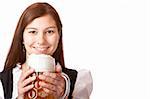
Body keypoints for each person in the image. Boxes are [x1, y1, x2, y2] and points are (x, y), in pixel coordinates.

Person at [0, 2, 93, 99]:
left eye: (49, 32)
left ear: (59, 36)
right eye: (33, 32)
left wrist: (64, 95)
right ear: (22, 37)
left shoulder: (77, 81)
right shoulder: (3, 83)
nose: (41, 41)